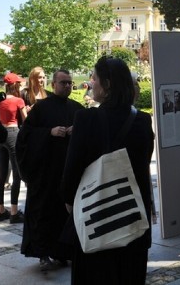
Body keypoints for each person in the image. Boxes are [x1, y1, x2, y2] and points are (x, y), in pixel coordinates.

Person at [62, 56, 154, 284]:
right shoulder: (142, 121)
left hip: (97, 216)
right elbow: (142, 167)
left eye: (94, 78)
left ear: (108, 84)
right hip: (132, 217)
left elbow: (71, 171)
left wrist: (69, 201)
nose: (91, 83)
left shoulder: (86, 119)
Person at [17, 69, 83, 272]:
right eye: (63, 83)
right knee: (44, 213)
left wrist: (77, 130)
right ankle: (43, 253)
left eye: (70, 83)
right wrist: (49, 133)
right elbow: (25, 137)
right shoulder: (41, 108)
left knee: (65, 215)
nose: (67, 86)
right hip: (46, 172)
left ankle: (64, 252)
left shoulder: (77, 109)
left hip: (68, 172)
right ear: (53, 84)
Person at [0, 72, 26, 224]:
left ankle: (1, 210)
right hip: (13, 133)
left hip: (1, 135)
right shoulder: (19, 100)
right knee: (17, 174)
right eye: (19, 83)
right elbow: (26, 119)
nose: (20, 85)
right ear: (14, 85)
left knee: (2, 174)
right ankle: (14, 212)